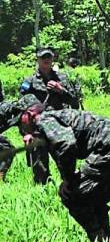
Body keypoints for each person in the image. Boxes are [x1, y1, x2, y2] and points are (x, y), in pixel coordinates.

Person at [18, 100, 110, 242]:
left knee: (72, 195)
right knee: (94, 197)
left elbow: (66, 144)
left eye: (20, 119)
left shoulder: (43, 119)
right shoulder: (55, 119)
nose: (20, 125)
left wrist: (68, 179)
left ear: (30, 115)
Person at [14, 49, 82, 184]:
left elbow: (75, 103)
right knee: (40, 171)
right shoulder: (29, 81)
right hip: (37, 128)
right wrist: (25, 133)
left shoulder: (62, 78)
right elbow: (21, 108)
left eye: (49, 57)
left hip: (59, 127)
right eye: (43, 57)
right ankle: (43, 195)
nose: (46, 60)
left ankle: (70, 192)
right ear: (37, 60)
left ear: (52, 59)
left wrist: (61, 90)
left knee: (67, 166)